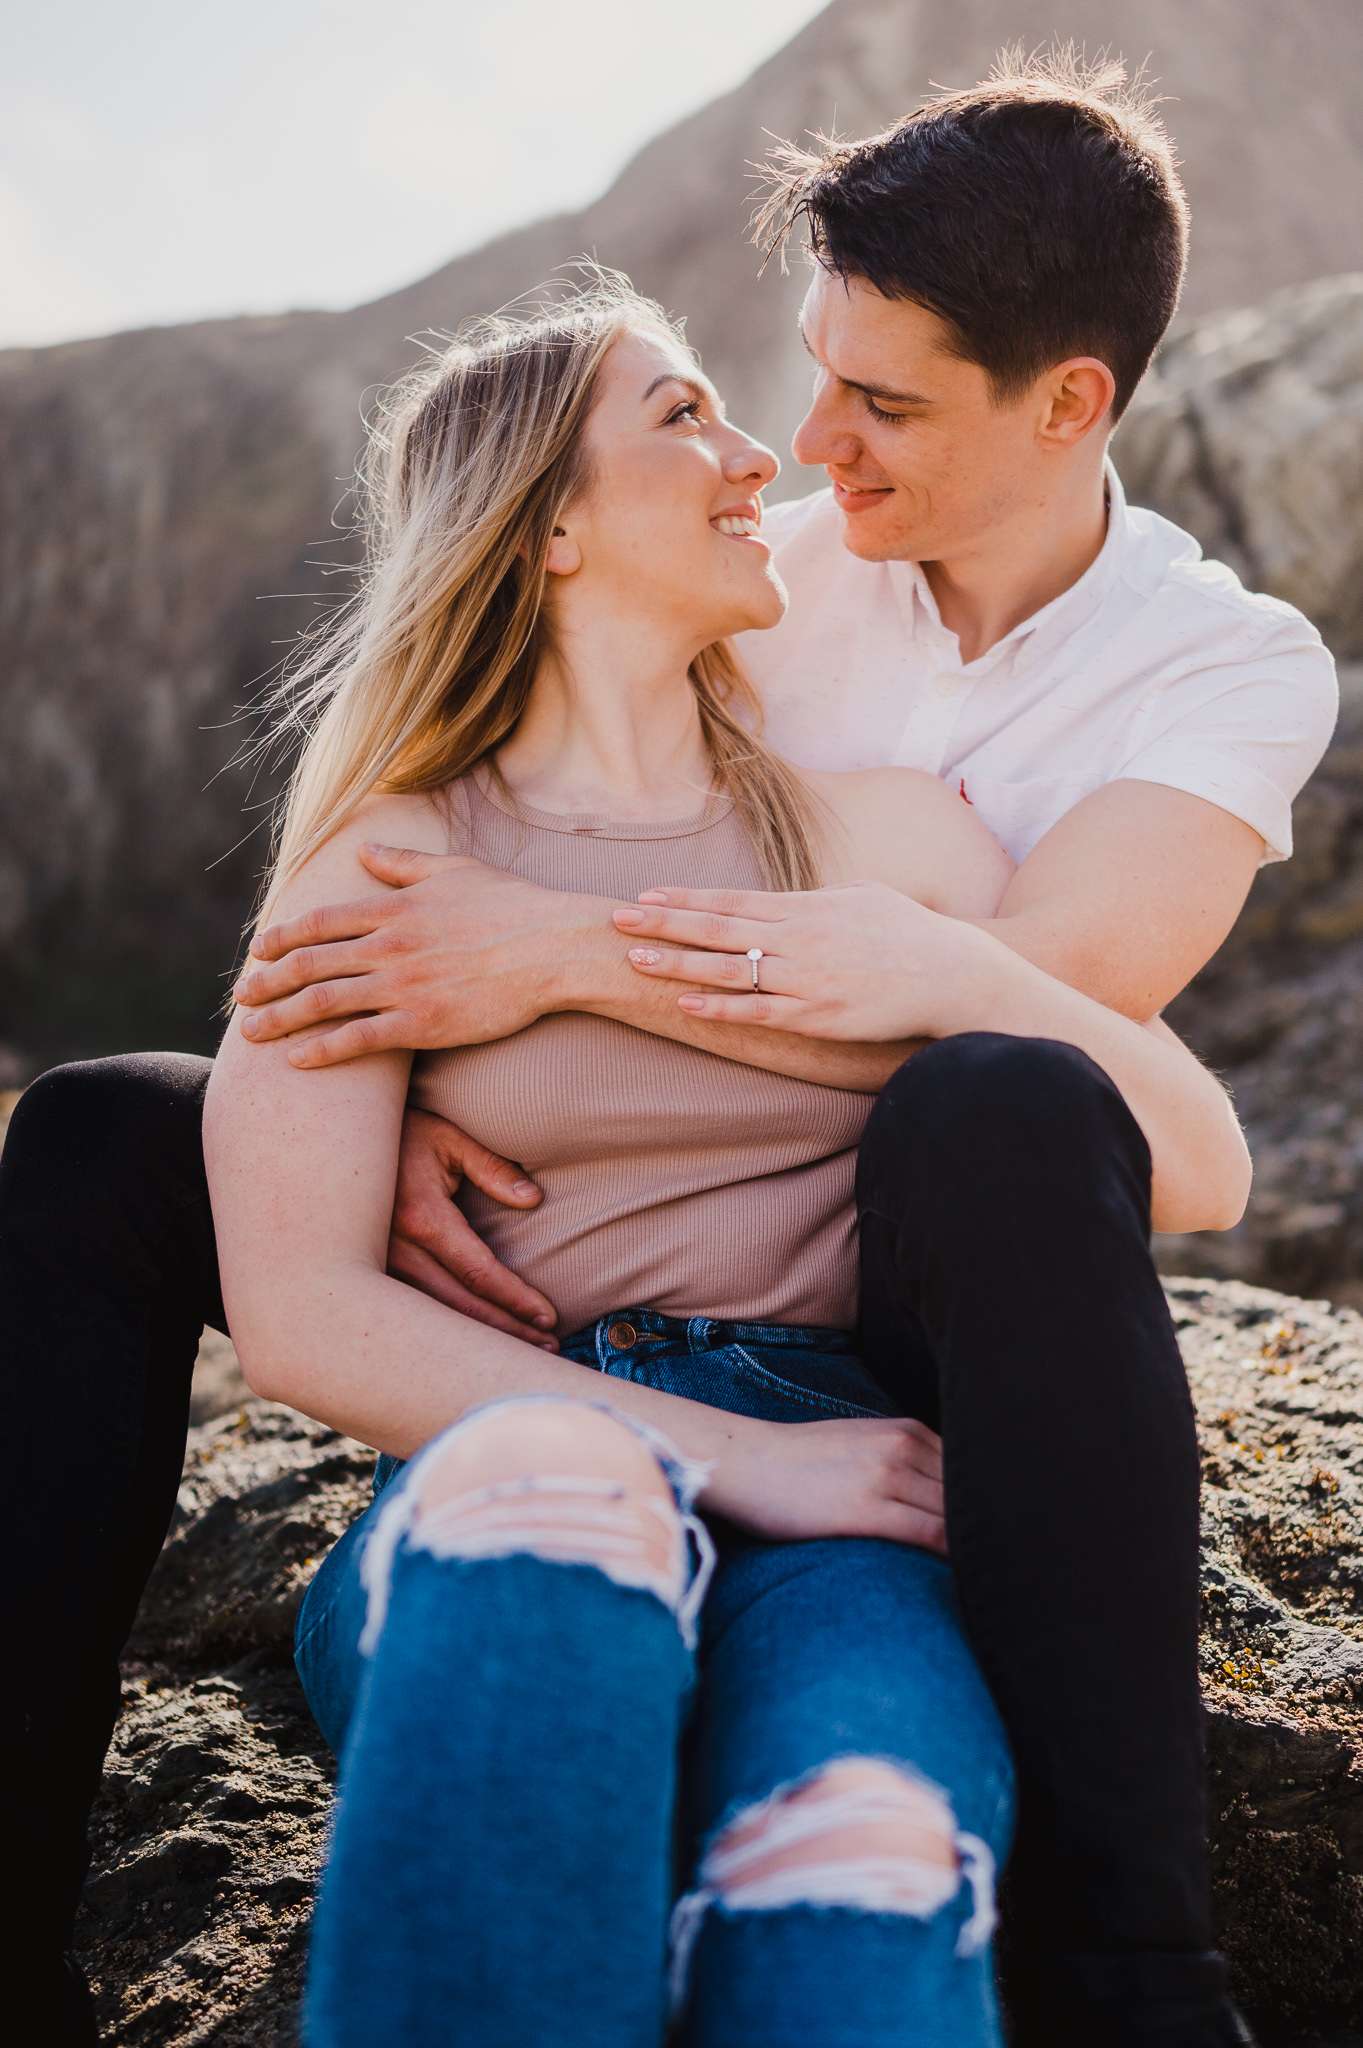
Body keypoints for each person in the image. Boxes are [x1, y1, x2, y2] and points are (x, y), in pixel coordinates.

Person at [0, 46, 1334, 2047]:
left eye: (870, 407)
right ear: (548, 530)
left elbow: (1090, 1090)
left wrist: (534, 966)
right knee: (111, 1139)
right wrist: (382, 1115)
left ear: (1061, 406)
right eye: (750, 396)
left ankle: (1134, 1966)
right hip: (550, 1362)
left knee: (870, 1832)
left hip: (892, 1300)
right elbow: (317, 1238)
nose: (793, 457)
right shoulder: (732, 600)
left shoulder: (1174, 687)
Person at [202, 275, 1248, 2048]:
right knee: (555, 1516)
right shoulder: (384, 856)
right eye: (683, 416)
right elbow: (298, 1312)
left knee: (867, 1851)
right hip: (533, 1438)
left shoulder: (884, 834)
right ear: (542, 526)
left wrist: (926, 981)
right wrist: (758, 1468)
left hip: (849, 1475)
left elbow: (1193, 1154)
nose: (757, 454)